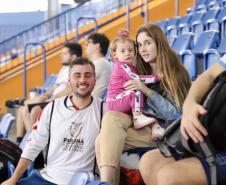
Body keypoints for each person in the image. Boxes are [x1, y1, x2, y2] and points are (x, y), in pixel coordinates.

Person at [95, 23, 191, 185]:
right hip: (144, 126)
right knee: (108, 124)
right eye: (139, 45)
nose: (143, 49)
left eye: (148, 43)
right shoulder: (139, 70)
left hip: (166, 131)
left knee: (104, 139)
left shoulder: (176, 73)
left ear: (159, 43)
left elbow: (176, 115)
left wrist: (147, 91)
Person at [2, 57, 103, 185]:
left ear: (94, 80)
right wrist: (14, 178)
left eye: (88, 75)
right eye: (77, 76)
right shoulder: (52, 107)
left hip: (85, 180)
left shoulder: (104, 109)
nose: (82, 80)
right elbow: (33, 146)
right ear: (69, 81)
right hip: (47, 179)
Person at [139, 57, 226, 185]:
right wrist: (190, 104)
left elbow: (170, 111)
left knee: (170, 176)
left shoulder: (174, 73)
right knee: (149, 162)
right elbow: (209, 75)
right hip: (215, 134)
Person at [14, 43, 82, 144]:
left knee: (32, 110)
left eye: (64, 53)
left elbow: (69, 90)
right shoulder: (63, 69)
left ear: (73, 56)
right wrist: (46, 95)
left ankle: (32, 144)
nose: (60, 55)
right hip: (53, 99)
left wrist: (51, 98)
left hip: (61, 101)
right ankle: (21, 142)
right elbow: (54, 87)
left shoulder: (76, 69)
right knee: (23, 109)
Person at [106, 29, 162, 134]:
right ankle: (137, 118)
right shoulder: (121, 66)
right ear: (115, 55)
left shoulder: (130, 66)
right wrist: (157, 77)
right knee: (135, 91)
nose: (127, 53)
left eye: (130, 50)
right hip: (114, 101)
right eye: (123, 51)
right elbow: (137, 79)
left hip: (122, 99)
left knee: (144, 102)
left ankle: (156, 129)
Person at [85, 32, 112, 99]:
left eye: (87, 43)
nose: (85, 46)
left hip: (88, 105)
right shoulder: (99, 63)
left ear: (97, 46)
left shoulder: (100, 63)